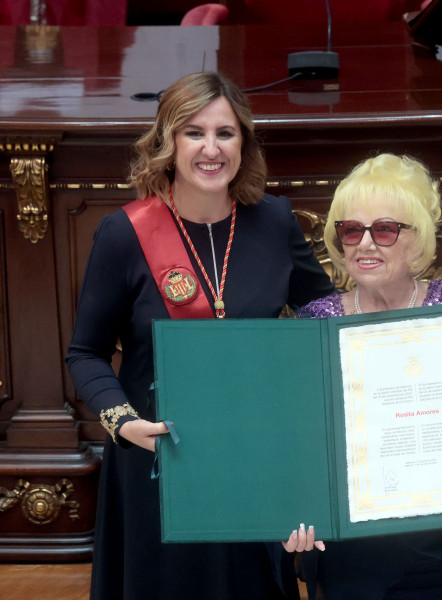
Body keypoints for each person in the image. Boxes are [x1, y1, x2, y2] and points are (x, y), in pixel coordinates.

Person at [65, 71, 334, 600]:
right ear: (168, 142)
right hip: (159, 459)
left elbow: (323, 317)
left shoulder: (274, 220)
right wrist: (124, 424)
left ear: (243, 143)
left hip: (255, 456)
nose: (211, 149)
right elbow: (86, 352)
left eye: (225, 133)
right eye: (194, 132)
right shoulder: (124, 233)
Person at [295, 152, 442, 599]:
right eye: (352, 230)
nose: (366, 244)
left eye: (386, 229)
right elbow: (297, 441)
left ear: (417, 240)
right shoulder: (313, 326)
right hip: (354, 550)